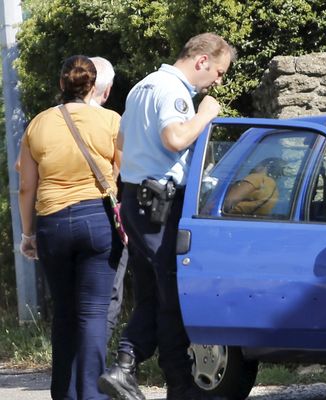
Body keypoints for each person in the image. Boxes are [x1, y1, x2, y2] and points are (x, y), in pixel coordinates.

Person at [98, 33, 236, 400]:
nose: (218, 81)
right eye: (219, 72)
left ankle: (168, 380)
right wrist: (206, 113)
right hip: (160, 204)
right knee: (173, 292)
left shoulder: (142, 87)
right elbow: (175, 138)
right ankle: (133, 367)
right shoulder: (173, 91)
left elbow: (123, 145)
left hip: (138, 201)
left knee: (153, 295)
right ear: (202, 60)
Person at [18, 55, 121, 400]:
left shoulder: (37, 125)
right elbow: (122, 175)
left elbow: (26, 187)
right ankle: (92, 393)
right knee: (93, 313)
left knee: (64, 311)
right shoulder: (110, 121)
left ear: (61, 84)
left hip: (53, 223)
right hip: (98, 221)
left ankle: (63, 393)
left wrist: (28, 234)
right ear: (93, 87)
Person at [89, 55, 128, 343]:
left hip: (58, 215)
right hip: (104, 213)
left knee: (74, 298)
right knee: (109, 291)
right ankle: (96, 364)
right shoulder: (112, 120)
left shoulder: (48, 118)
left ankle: (73, 369)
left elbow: (24, 172)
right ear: (106, 90)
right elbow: (122, 167)